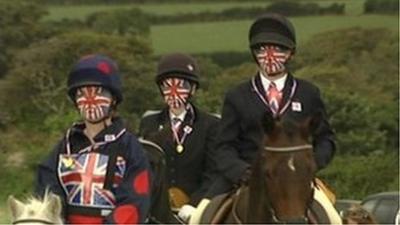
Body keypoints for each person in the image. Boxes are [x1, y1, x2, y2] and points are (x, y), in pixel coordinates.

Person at [208, 12, 336, 203]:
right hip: (246, 179)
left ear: (290, 53)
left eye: (278, 50)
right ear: (255, 54)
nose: (269, 56)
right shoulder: (237, 96)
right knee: (199, 215)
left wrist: (310, 164)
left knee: (333, 218)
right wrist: (242, 172)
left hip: (298, 179)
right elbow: (223, 146)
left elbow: (326, 138)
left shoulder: (309, 93)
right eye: (262, 50)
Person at [35, 54, 151, 224]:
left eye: (99, 92)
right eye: (82, 93)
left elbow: (134, 203)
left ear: (113, 99)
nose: (90, 100)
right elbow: (47, 192)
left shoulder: (130, 148)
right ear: (75, 100)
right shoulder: (65, 146)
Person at [138, 52, 219, 221]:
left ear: (193, 89)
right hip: (156, 210)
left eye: (181, 85)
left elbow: (213, 173)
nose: (173, 92)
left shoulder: (210, 125)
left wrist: (195, 204)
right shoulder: (149, 123)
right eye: (167, 86)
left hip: (195, 211)